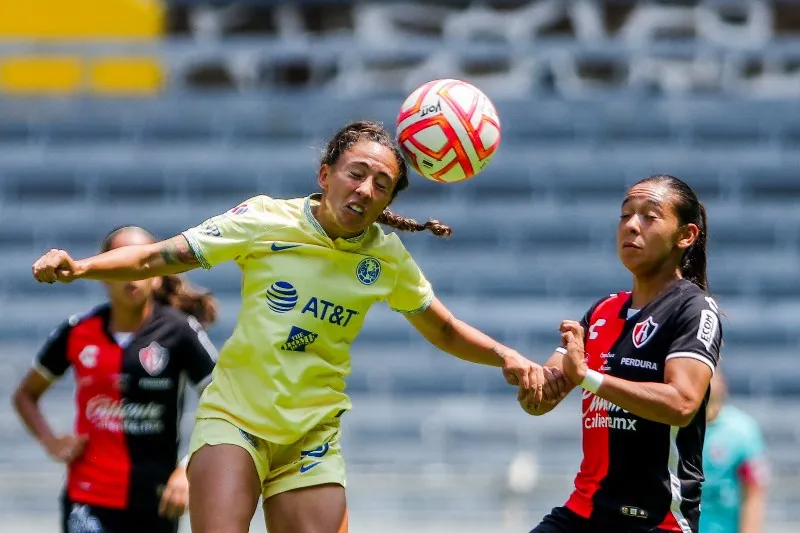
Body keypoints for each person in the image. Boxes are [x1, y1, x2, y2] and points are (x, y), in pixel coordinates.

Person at [31, 120, 556, 533]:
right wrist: (80, 266)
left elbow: (443, 329)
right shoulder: (264, 219)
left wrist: (505, 356)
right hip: (236, 421)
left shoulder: (386, 257)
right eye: (356, 172)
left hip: (312, 436)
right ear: (324, 174)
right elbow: (159, 257)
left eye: (382, 184)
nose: (365, 189)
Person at [518, 175, 723, 533]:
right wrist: (530, 381)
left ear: (686, 236)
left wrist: (589, 378)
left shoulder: (694, 309)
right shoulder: (602, 311)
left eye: (649, 216)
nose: (631, 225)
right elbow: (539, 402)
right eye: (625, 214)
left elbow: (682, 404)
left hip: (656, 521)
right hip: (584, 513)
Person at [16, 226, 219, 533]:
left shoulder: (180, 332)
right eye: (121, 262)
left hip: (156, 500)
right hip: (88, 497)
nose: (132, 274)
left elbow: (223, 401)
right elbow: (25, 395)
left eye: (143, 263)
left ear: (159, 274)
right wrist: (52, 441)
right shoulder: (77, 331)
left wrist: (187, 469)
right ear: (104, 270)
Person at [700, 369, 769, 533]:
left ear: (723, 384)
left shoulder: (743, 430)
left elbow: (754, 492)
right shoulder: (673, 429)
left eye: (711, 376)